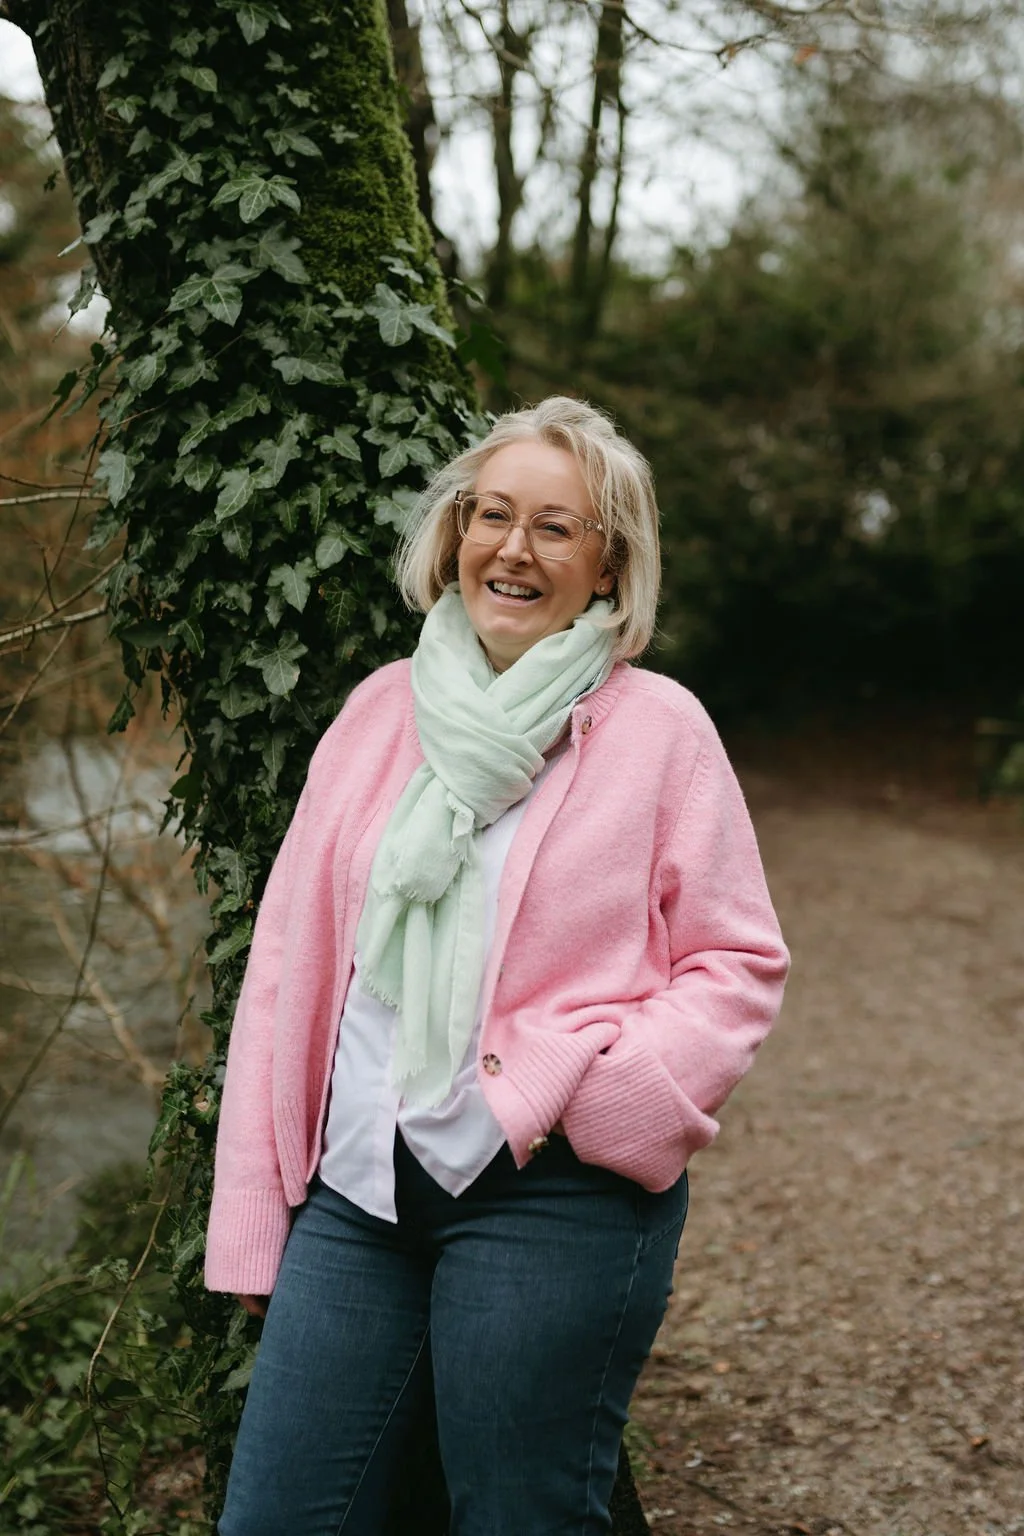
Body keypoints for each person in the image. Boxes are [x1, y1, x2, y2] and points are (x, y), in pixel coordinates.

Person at [206, 396, 789, 1535]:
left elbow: (736, 960)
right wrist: (255, 1205)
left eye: (555, 527)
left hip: (552, 1197)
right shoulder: (381, 712)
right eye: (492, 516)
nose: (513, 550)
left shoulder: (659, 730)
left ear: (608, 562)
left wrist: (602, 1088)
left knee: (522, 1514)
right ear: (455, 534)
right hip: (359, 1189)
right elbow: (283, 965)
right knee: (275, 1517)